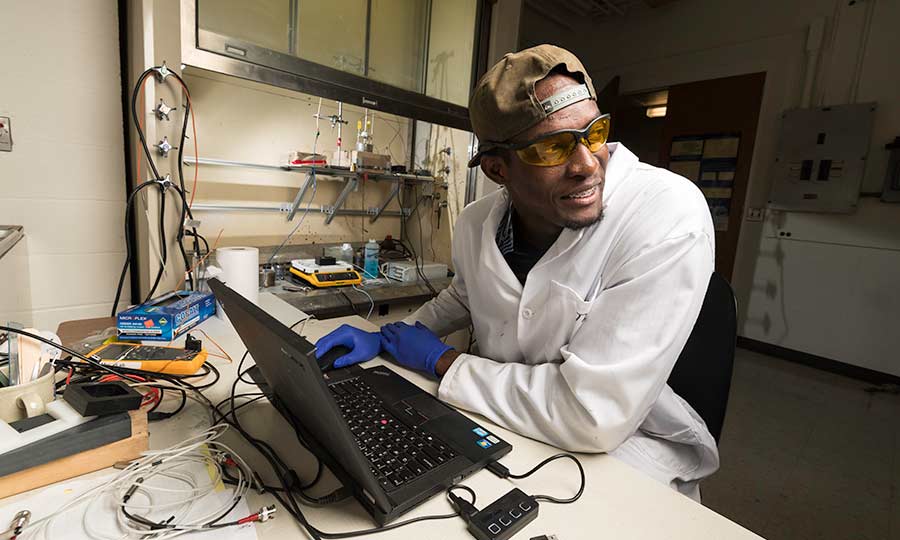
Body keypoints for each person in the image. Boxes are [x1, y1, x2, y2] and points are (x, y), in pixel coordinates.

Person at [315, 44, 718, 500]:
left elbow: (591, 414)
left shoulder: (665, 213)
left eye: (595, 132)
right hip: (500, 423)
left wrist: (442, 360)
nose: (587, 164)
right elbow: (467, 295)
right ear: (497, 168)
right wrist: (391, 335)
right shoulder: (476, 221)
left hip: (625, 452)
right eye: (553, 147)